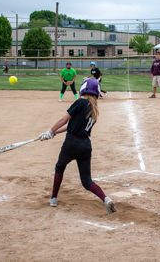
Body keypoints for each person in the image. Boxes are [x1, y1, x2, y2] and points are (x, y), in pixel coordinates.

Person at [38, 78, 117, 214]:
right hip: (85, 146)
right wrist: (55, 133)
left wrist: (50, 131)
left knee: (59, 167)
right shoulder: (94, 109)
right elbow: (70, 126)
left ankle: (53, 198)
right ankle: (106, 199)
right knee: (87, 181)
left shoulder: (80, 102)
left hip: (71, 144)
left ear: (83, 89)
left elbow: (64, 120)